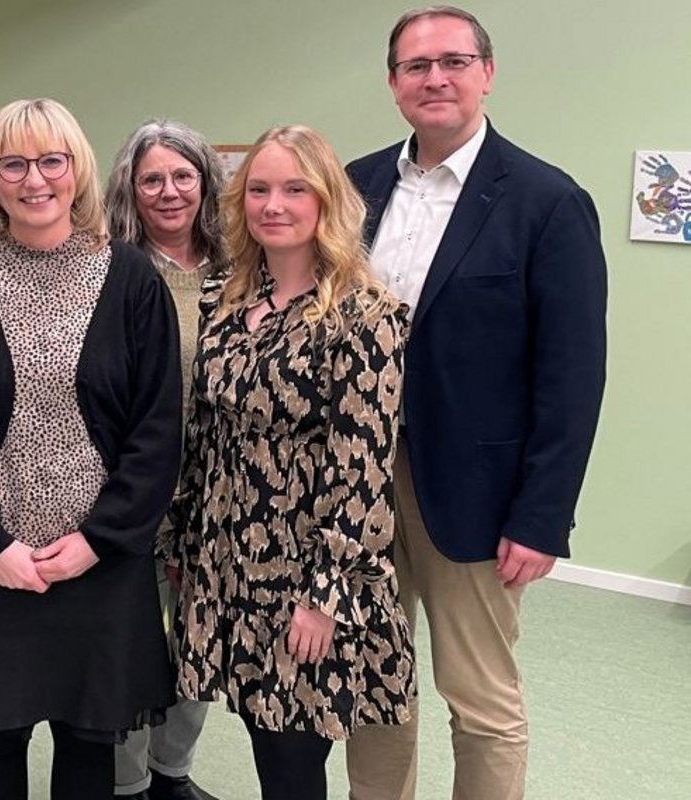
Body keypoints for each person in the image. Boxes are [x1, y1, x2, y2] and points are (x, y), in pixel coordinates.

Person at [342, 7, 608, 800]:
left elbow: (573, 376)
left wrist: (541, 515)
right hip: (357, 486)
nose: (436, 78)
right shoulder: (354, 187)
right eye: (416, 66)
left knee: (480, 698)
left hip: (474, 497)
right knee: (374, 683)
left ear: (487, 72)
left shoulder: (546, 201)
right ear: (393, 83)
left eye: (454, 61)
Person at [0, 98, 183, 800]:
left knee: (89, 745)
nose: (36, 179)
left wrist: (100, 538)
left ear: (77, 171)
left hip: (95, 563)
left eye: (51, 161)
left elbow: (157, 431)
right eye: (15, 163)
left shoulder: (132, 281)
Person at [167, 126, 415, 800]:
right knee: (255, 721)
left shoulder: (368, 317)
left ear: (328, 200)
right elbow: (206, 434)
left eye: (294, 188)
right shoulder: (225, 299)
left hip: (302, 571)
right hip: (225, 558)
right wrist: (185, 545)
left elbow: (362, 470)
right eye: (259, 189)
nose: (273, 204)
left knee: (292, 753)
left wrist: (324, 597)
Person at [104, 119, 227, 800]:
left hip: (217, 497)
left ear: (205, 182)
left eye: (184, 175)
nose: (170, 191)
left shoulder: (242, 270)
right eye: (153, 178)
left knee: (200, 641)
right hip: (134, 490)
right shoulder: (112, 270)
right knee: (132, 646)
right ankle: (123, 783)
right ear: (131, 187)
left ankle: (170, 774)